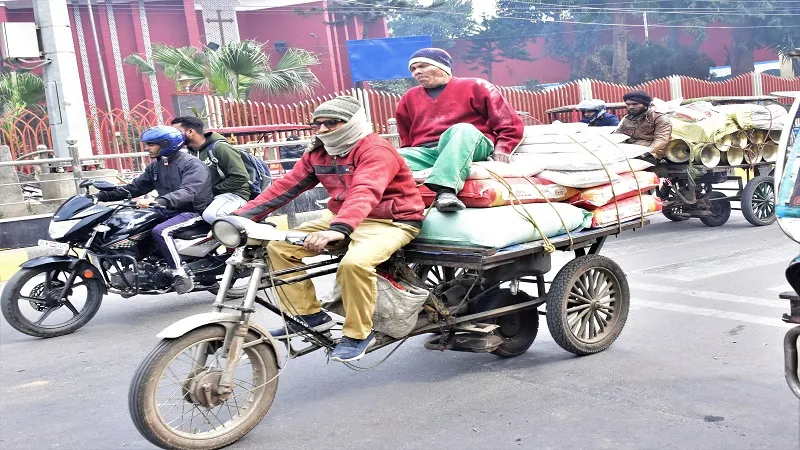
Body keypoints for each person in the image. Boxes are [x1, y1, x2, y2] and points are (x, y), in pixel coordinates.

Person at [233, 96, 425, 362]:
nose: (322, 130)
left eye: (332, 123)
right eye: (318, 125)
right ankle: (310, 316)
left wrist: (340, 228)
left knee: (355, 264)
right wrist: (237, 218)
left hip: (390, 220)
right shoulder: (319, 152)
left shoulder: (375, 150)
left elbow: (365, 191)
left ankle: (359, 333)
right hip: (343, 219)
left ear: (352, 123)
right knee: (278, 247)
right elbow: (285, 188)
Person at [395, 47, 524, 212]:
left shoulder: (476, 86)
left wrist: (503, 147)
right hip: (429, 153)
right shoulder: (408, 97)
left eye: (423, 66)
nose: (417, 72)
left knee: (461, 129)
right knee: (386, 156)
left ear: (442, 67)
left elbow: (508, 122)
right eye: (413, 69)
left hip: (470, 144)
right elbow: (406, 137)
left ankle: (445, 190)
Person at [95, 126, 213, 294]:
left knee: (160, 231)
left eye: (151, 144)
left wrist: (157, 201)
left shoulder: (192, 164)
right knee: (134, 224)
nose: (147, 148)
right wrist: (100, 196)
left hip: (193, 211)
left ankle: (180, 274)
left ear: (166, 144)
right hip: (168, 209)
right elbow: (134, 188)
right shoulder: (156, 165)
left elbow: (189, 192)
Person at [170, 116, 251, 224]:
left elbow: (240, 177)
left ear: (190, 131)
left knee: (211, 215)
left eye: (177, 132)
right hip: (207, 197)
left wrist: (211, 191)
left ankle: (248, 236)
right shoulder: (190, 154)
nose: (173, 136)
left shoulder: (220, 147)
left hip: (234, 194)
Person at [614, 90, 672, 162]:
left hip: (651, 154)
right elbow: (616, 136)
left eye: (635, 104)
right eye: (628, 104)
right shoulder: (627, 118)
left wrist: (644, 154)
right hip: (629, 152)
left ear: (645, 104)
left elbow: (661, 139)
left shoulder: (659, 117)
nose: (631, 107)